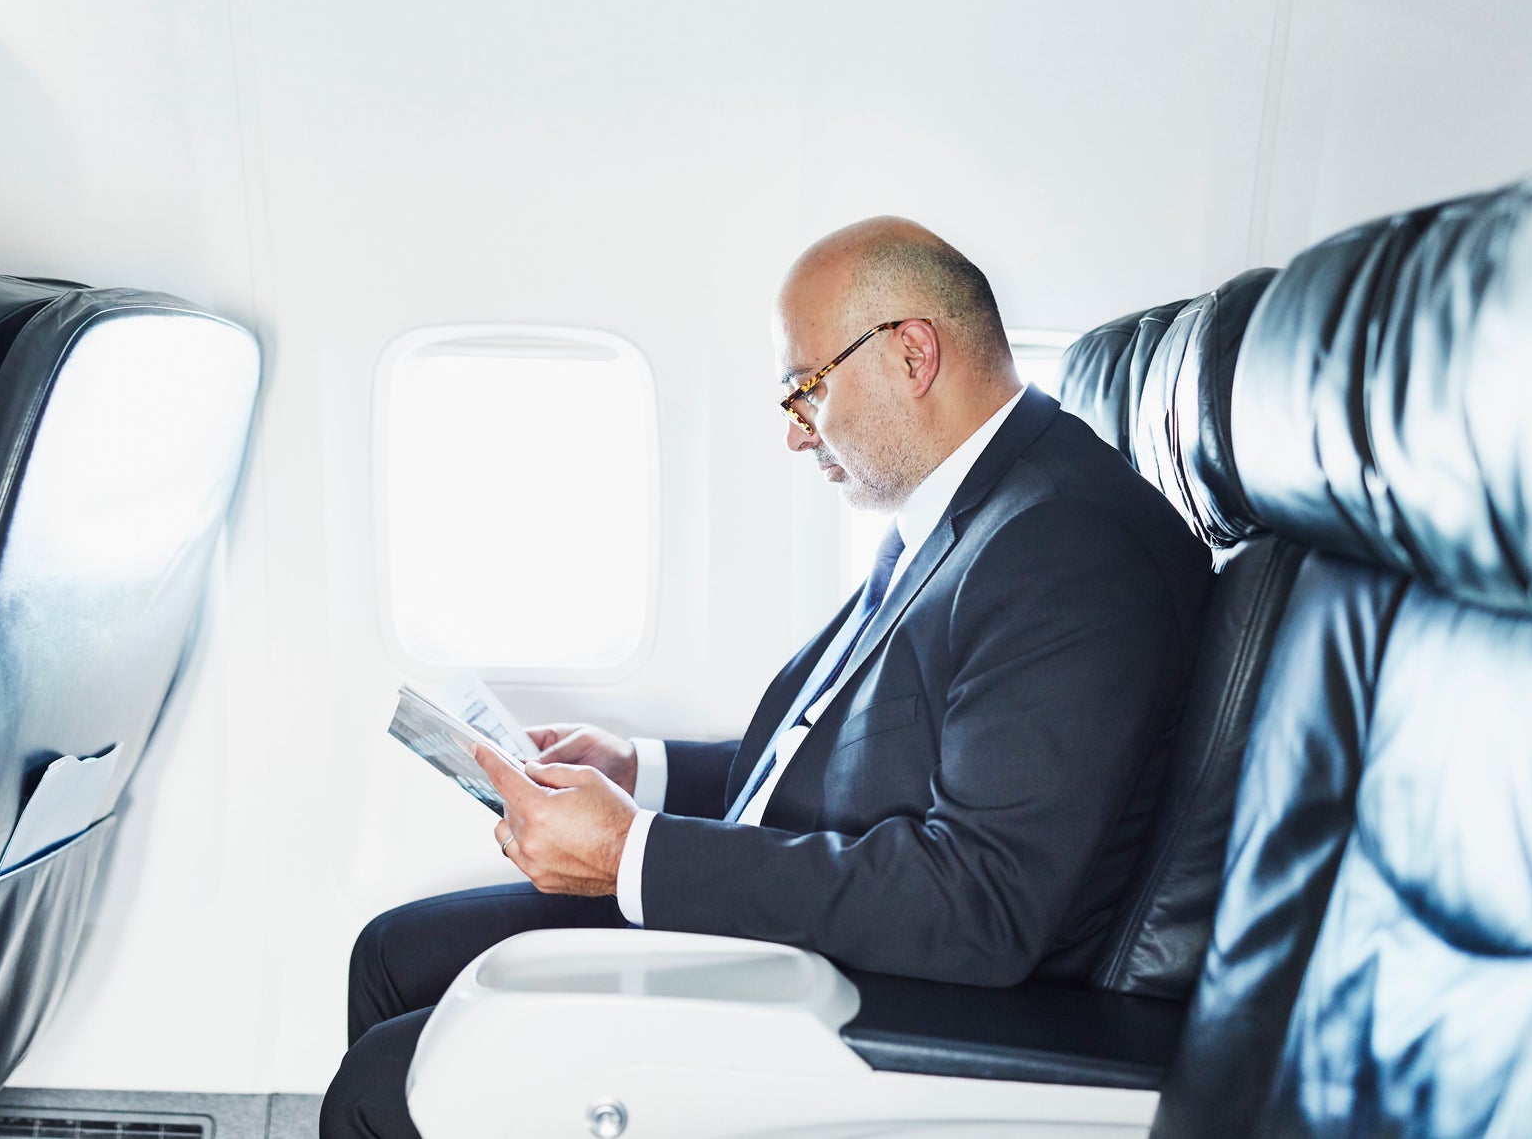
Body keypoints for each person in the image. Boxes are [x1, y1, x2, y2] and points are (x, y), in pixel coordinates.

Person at [321, 218, 1212, 1138]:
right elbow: (849, 748)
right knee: (392, 955)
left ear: (911, 353)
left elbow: (978, 903)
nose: (797, 435)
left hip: (890, 988)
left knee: (387, 1084)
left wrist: (631, 852)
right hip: (801, 909)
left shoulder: (1065, 543)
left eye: (805, 390)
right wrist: (645, 771)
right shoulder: (968, 509)